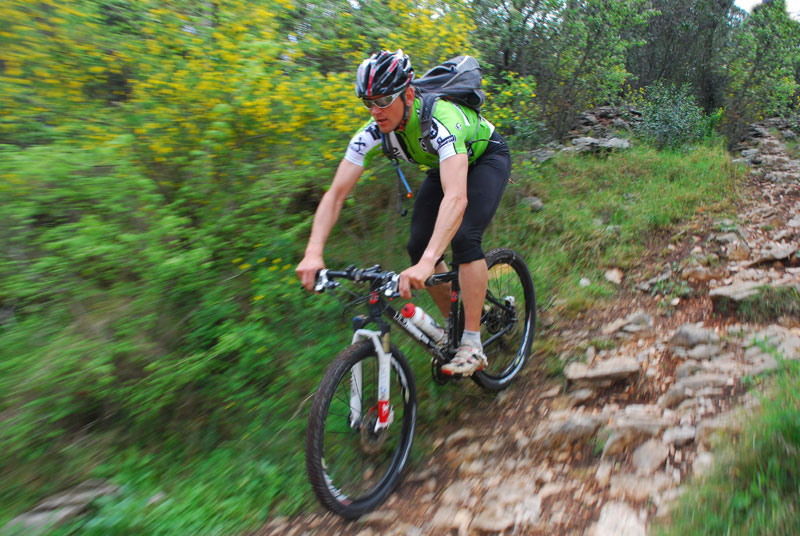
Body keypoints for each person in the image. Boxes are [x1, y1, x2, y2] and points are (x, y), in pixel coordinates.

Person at [296, 49, 511, 376]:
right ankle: (452, 327)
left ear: (408, 95)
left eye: (384, 100)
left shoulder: (440, 120)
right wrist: (313, 252)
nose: (375, 110)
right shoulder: (372, 132)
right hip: (443, 166)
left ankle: (472, 342)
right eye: (368, 102)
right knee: (417, 245)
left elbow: (456, 198)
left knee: (464, 238)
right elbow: (336, 194)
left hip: (485, 158)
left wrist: (428, 262)